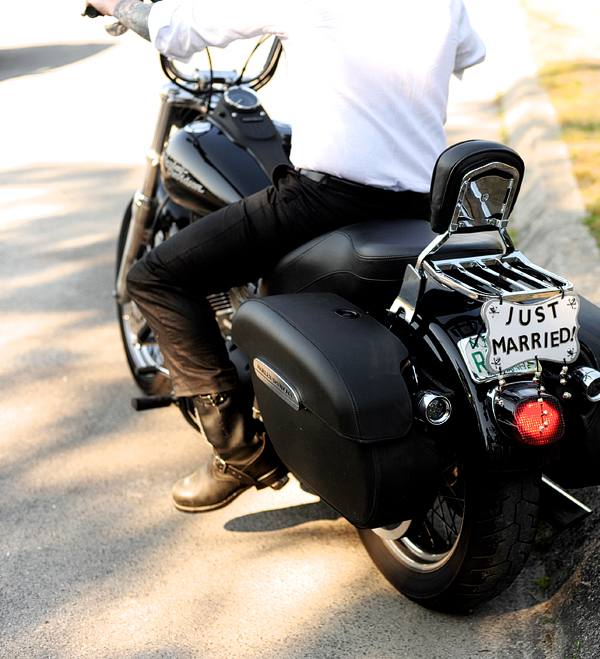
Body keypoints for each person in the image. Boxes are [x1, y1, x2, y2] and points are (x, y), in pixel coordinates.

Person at [86, 0, 486, 513]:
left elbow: (175, 28)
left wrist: (116, 5)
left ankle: (239, 451)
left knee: (157, 276)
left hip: (327, 201)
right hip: (420, 202)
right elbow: (469, 54)